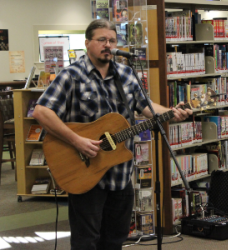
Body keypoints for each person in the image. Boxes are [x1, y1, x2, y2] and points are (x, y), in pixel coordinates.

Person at [32, 19, 192, 250]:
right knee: (86, 241)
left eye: (112, 40)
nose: (108, 45)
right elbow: (41, 111)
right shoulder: (72, 76)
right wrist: (77, 141)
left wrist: (171, 112)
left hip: (120, 172)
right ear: (88, 43)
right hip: (84, 172)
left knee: (115, 239)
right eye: (102, 40)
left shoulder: (126, 74)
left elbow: (145, 106)